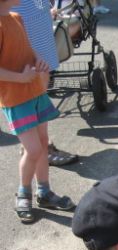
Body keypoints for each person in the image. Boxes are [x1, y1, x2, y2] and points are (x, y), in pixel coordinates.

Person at [0, 0, 75, 223]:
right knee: (32, 149)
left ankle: (44, 191)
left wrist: (38, 59)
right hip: (15, 98)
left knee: (42, 142)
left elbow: (28, 47)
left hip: (35, 91)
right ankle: (23, 194)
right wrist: (20, 78)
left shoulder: (16, 18)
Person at [11, 0, 79, 166]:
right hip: (24, 21)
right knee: (33, 87)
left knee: (41, 82)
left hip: (38, 18)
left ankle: (37, 145)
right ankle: (37, 146)